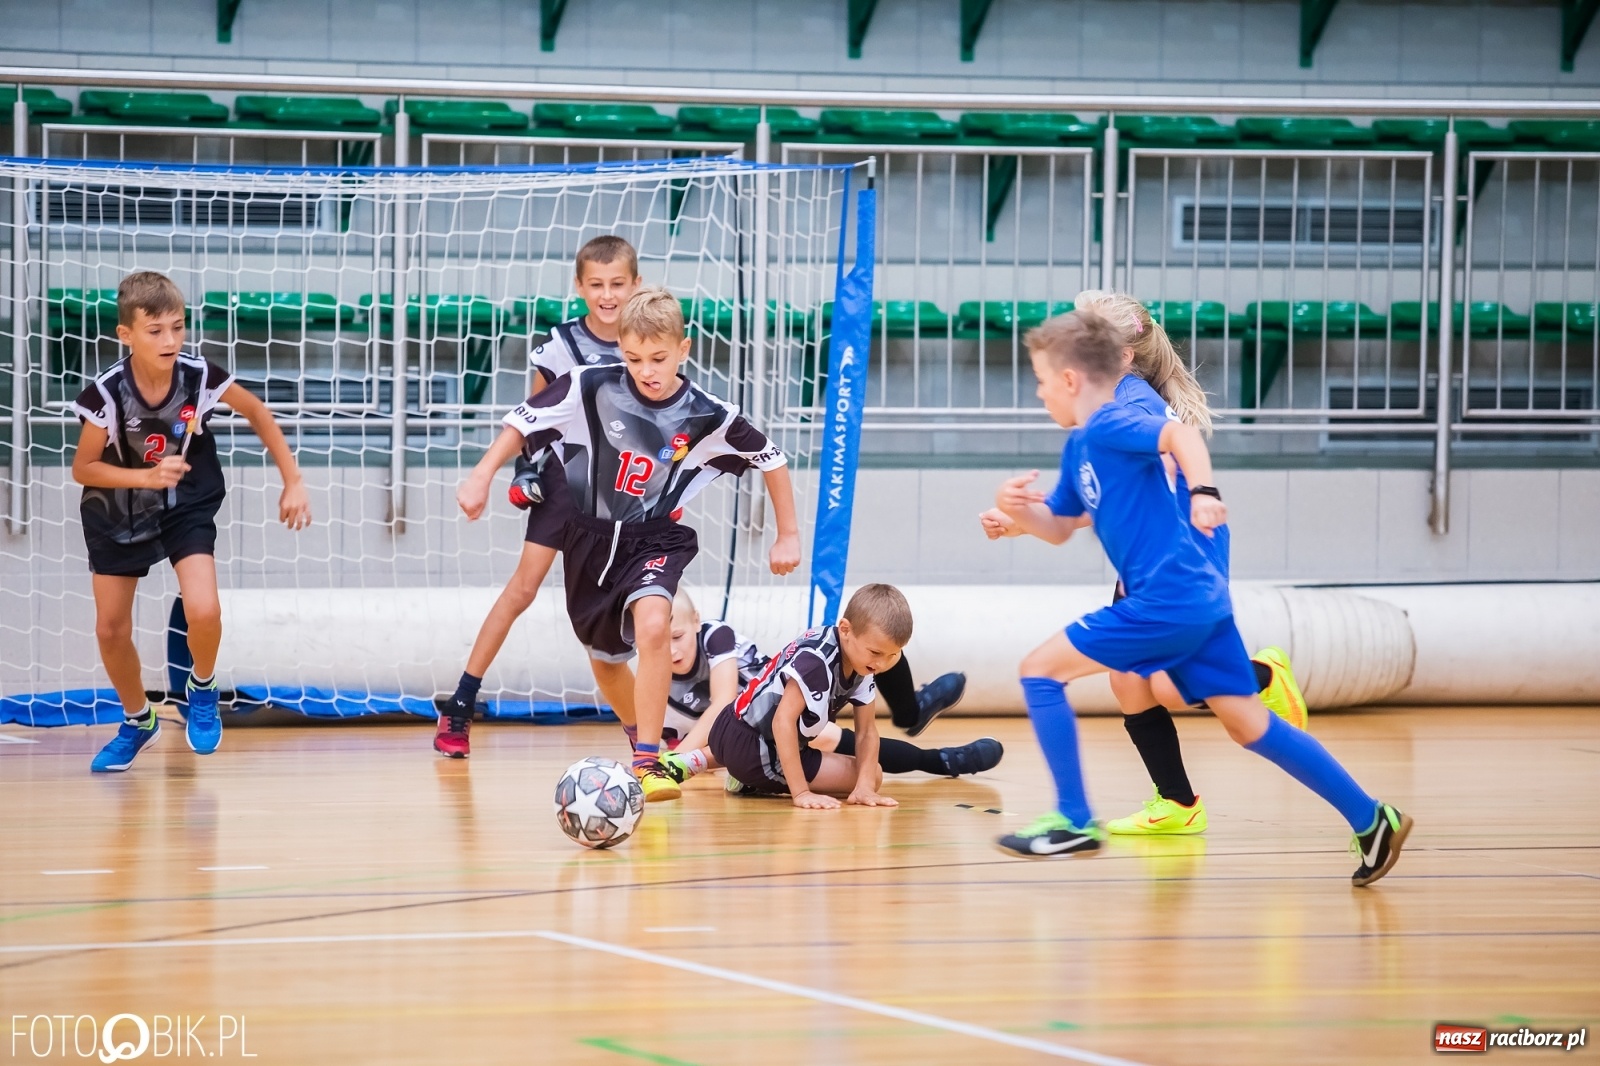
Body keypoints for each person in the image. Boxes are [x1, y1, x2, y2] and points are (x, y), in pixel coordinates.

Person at [985, 309, 1410, 887]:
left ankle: (1075, 819)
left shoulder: (1113, 422)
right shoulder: (1080, 448)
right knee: (1250, 726)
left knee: (1040, 671)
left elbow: (1180, 433)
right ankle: (1372, 818)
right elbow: (1061, 523)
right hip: (1196, 601)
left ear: (1069, 380)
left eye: (1039, 380)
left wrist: (1205, 490)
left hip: (1168, 597)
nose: (1037, 393)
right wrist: (1017, 513)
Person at [983, 290, 1309, 838]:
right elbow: (1114, 495)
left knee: (1158, 686)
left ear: (1117, 358)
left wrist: (1202, 489)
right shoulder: (1115, 407)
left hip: (1182, 557)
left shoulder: (1129, 410)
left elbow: (1161, 471)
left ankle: (1259, 679)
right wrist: (1024, 519)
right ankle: (1178, 801)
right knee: (1132, 682)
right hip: (1159, 557)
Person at [458, 288, 800, 801]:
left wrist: (788, 532)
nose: (647, 369)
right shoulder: (588, 384)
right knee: (606, 661)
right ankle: (653, 739)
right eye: (634, 357)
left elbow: (770, 457)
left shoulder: (708, 413)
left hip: (654, 537)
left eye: (659, 358)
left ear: (683, 349)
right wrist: (482, 473)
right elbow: (520, 421)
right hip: (588, 541)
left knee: (655, 622)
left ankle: (646, 763)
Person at [71, 271, 311, 772]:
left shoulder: (199, 376)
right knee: (111, 630)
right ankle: (139, 719)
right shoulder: (108, 393)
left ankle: (201, 687)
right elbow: (83, 468)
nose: (170, 340)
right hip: (118, 511)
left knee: (204, 608)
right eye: (155, 330)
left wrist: (293, 481)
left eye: (177, 327)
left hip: (185, 502)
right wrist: (147, 478)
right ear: (126, 335)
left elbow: (260, 413)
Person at [434, 235, 641, 758]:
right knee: (522, 590)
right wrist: (524, 469)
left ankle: (650, 732)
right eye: (596, 284)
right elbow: (533, 415)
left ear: (635, 284)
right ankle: (460, 704)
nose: (608, 294)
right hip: (563, 486)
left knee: (620, 616)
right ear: (579, 287)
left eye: (618, 283)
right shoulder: (561, 347)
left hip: (621, 497)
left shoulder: (647, 342)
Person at [656, 589, 1002, 783]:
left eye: (678, 636)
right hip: (777, 718)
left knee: (875, 657)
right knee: (841, 746)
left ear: (696, 621)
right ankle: (939, 760)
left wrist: (676, 756)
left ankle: (915, 710)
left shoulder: (715, 637)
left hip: (783, 707)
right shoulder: (656, 671)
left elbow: (723, 702)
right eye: (661, 640)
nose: (672, 648)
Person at [702, 584, 911, 809]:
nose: (882, 664)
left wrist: (865, 788)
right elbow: (782, 721)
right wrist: (801, 792)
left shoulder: (863, 659)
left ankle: (714, 764)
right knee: (875, 773)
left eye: (893, 655)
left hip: (734, 730)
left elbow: (867, 732)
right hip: (752, 746)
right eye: (876, 653)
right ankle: (749, 778)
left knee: (868, 776)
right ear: (846, 629)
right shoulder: (817, 662)